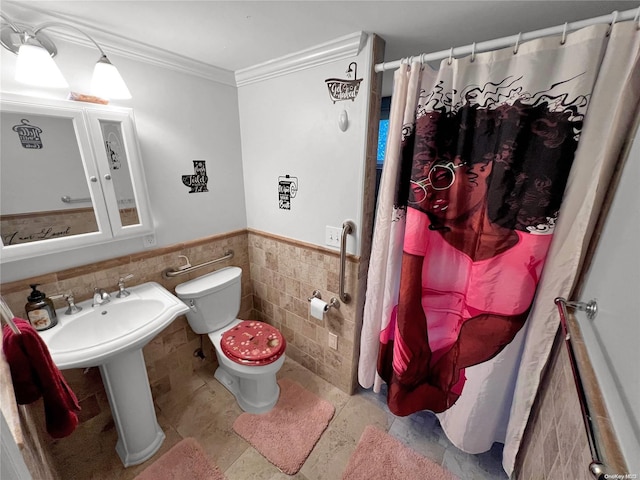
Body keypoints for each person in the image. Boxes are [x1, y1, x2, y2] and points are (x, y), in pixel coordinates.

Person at [378, 99, 578, 416]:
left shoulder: (529, 250)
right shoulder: (421, 231)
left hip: (445, 368)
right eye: (418, 185)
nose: (427, 196)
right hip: (411, 353)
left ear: (488, 167)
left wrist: (442, 362)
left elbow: (494, 333)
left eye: (441, 176)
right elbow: (408, 315)